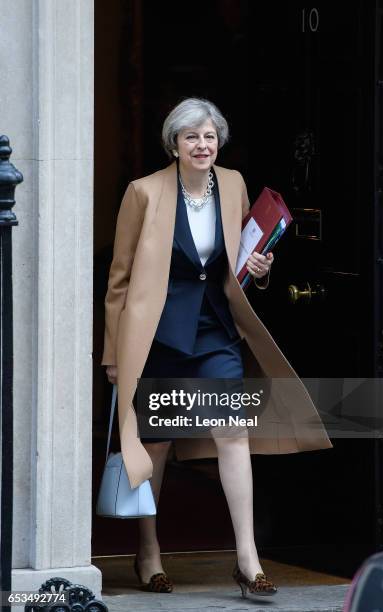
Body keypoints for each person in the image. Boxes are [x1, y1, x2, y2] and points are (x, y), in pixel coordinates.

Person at [101, 97, 333, 599]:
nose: (202, 145)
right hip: (158, 333)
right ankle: (149, 552)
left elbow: (243, 253)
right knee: (155, 447)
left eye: (209, 136)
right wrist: (114, 354)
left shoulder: (233, 184)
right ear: (174, 144)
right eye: (191, 137)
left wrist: (260, 271)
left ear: (218, 141)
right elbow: (118, 280)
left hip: (215, 330)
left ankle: (247, 559)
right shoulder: (143, 192)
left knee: (234, 436)